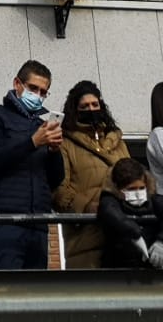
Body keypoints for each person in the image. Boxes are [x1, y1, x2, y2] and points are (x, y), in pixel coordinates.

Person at [0, 60, 63, 270]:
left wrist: (54, 151)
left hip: (38, 223)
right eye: (33, 88)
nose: (38, 96)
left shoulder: (42, 124)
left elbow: (56, 179)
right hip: (5, 221)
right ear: (17, 83)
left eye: (43, 92)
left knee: (35, 294)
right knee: (8, 291)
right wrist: (33, 142)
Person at [51, 79, 130, 270]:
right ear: (75, 110)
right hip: (86, 236)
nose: (91, 109)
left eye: (95, 104)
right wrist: (88, 207)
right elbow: (59, 189)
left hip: (122, 232)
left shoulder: (117, 141)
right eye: (85, 106)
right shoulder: (64, 143)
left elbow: (134, 178)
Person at [95, 157, 163, 269]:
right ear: (117, 187)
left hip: (150, 268)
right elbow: (111, 213)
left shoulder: (154, 200)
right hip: (117, 270)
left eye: (141, 188)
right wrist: (135, 234)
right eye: (131, 189)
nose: (137, 193)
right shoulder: (109, 200)